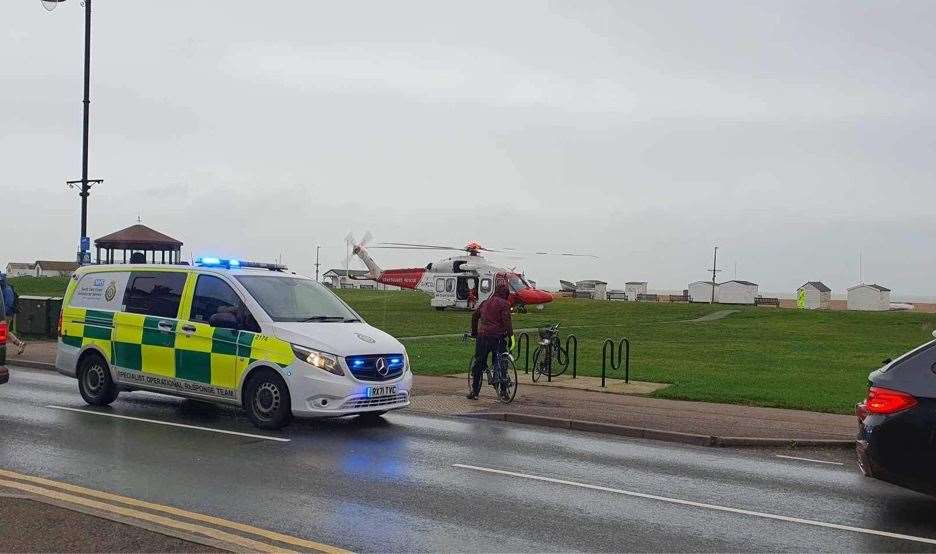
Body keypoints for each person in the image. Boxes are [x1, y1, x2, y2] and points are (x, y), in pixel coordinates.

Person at [468, 282, 513, 399]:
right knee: (501, 362)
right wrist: (511, 336)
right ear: (506, 294)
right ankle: (503, 391)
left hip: (483, 337)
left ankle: (475, 391)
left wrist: (474, 333)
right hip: (498, 337)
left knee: (479, 362)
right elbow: (507, 322)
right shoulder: (505, 304)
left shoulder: (485, 303)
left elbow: (474, 316)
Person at [1, 274, 25, 355]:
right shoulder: (6, 288)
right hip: (6, 313)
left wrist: (3, 313)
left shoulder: (6, 290)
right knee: (6, 331)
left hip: (6, 314)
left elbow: (8, 303)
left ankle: (18, 344)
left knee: (3, 331)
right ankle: (19, 343)